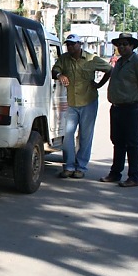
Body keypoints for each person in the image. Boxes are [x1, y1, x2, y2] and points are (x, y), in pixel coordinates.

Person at [52, 33, 112, 179]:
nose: (70, 47)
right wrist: (60, 75)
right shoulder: (64, 59)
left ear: (80, 45)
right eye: (68, 44)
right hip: (71, 103)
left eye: (73, 44)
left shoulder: (91, 59)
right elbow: (54, 70)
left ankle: (81, 167)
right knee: (67, 135)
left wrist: (99, 85)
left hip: (88, 102)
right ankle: (69, 166)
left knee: (85, 136)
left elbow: (109, 69)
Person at [99, 33, 138, 188]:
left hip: (132, 108)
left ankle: (134, 177)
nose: (122, 47)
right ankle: (115, 173)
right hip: (117, 108)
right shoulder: (119, 62)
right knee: (118, 142)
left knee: (132, 143)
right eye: (120, 45)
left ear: (132, 46)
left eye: (125, 44)